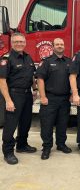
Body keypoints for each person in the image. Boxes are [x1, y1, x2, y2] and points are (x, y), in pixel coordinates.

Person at [0, 33, 37, 165]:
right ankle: (8, 152)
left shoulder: (28, 57)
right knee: (11, 124)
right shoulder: (6, 58)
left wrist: (35, 89)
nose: (19, 44)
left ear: (25, 42)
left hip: (27, 95)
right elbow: (2, 81)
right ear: (12, 43)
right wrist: (8, 100)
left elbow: (31, 75)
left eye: (21, 41)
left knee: (26, 121)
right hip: (14, 95)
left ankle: (22, 145)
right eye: (16, 42)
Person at [36, 38, 72, 160]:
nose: (60, 46)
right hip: (50, 98)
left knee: (62, 123)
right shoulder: (46, 62)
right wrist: (43, 96)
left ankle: (61, 144)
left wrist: (72, 93)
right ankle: (46, 147)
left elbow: (73, 79)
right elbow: (40, 79)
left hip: (64, 99)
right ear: (53, 46)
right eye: (57, 44)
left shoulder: (69, 61)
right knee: (47, 124)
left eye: (61, 44)